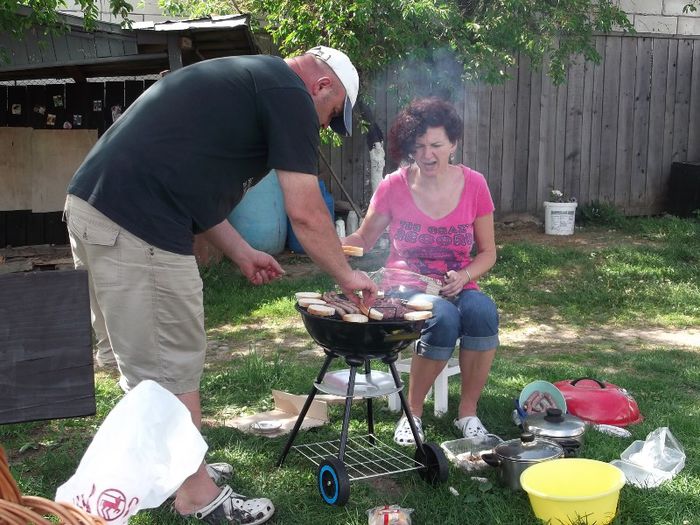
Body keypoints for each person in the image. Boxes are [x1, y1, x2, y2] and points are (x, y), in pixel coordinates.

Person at [64, 46, 377, 525]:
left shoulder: (248, 79)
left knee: (145, 363)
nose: (321, 127)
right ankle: (197, 496)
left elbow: (193, 188)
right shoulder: (290, 95)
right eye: (330, 116)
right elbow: (307, 212)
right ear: (322, 87)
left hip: (96, 206)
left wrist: (240, 251)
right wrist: (347, 274)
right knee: (170, 366)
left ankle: (180, 466)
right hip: (137, 223)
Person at [342, 97, 499, 446]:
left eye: (437, 145)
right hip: (405, 287)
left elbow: (488, 253)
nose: (428, 154)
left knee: (482, 311)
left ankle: (468, 413)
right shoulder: (393, 186)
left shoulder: (475, 185)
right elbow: (364, 238)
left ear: (453, 144)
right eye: (420, 146)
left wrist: (466, 276)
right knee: (441, 316)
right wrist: (329, 244)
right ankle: (412, 413)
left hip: (457, 285)